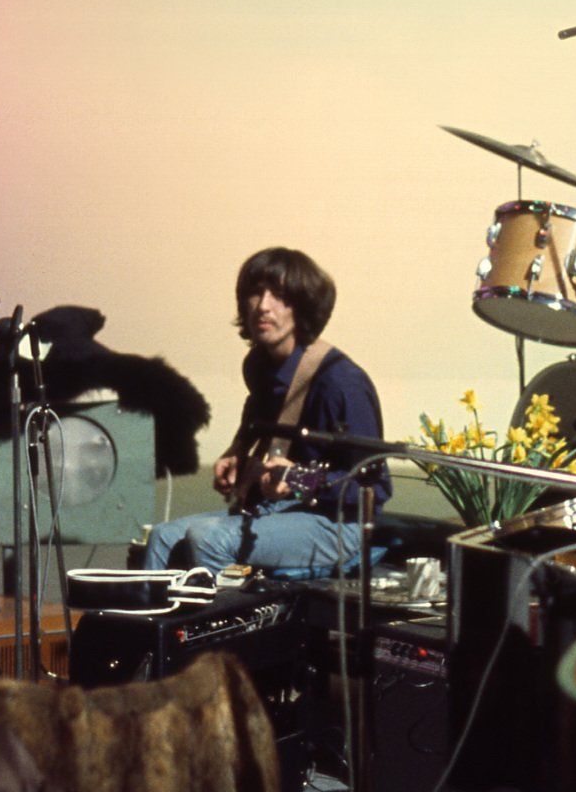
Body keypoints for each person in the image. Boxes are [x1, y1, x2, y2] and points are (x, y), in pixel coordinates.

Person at [142, 247, 390, 578]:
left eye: (280, 296)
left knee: (208, 538)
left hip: (338, 523)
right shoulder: (259, 364)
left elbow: (375, 488)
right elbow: (258, 412)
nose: (263, 306)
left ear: (303, 305)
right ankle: (150, 613)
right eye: (255, 293)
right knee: (161, 537)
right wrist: (238, 448)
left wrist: (299, 479)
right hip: (277, 510)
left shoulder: (341, 383)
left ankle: (224, 613)